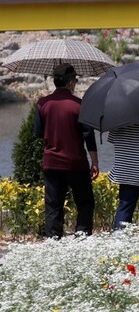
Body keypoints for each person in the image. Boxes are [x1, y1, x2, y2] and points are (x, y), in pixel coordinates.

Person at [33, 63, 99, 239]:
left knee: (53, 206)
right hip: (76, 163)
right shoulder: (79, 105)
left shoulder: (42, 104)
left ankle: (54, 240)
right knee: (84, 202)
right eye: (75, 80)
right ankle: (82, 236)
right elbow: (88, 136)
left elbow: (38, 133)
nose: (76, 83)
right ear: (70, 83)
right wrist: (95, 162)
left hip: (52, 163)